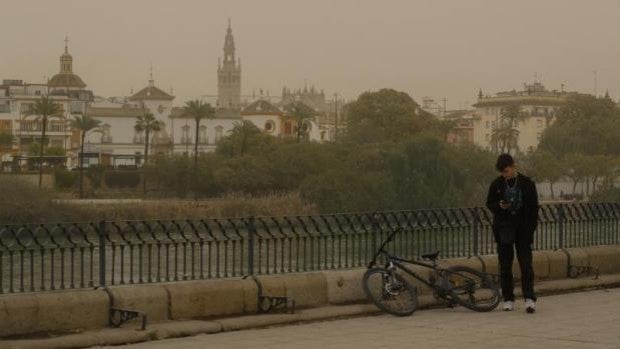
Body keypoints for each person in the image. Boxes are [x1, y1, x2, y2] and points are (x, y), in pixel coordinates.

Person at [486, 154, 539, 313]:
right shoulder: (496, 184)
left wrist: (531, 229)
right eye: (502, 172)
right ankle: (508, 298)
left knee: (526, 265)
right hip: (504, 228)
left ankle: (529, 298)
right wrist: (500, 206)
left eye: (507, 171)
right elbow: (490, 203)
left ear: (513, 166)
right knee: (505, 265)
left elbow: (534, 208)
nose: (505, 174)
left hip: (523, 229)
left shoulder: (527, 183)